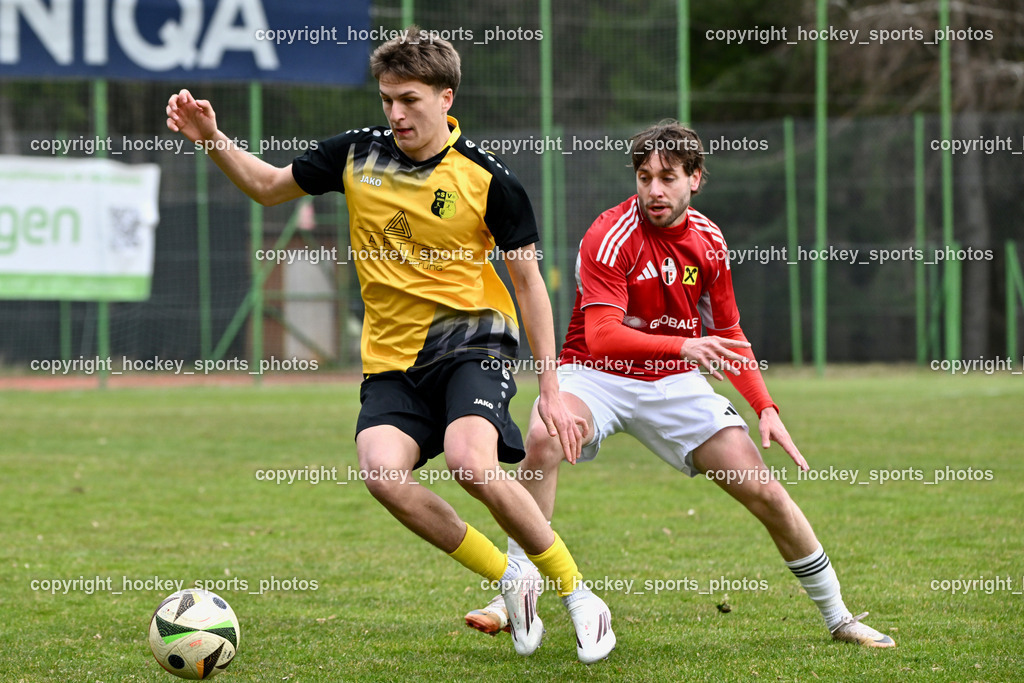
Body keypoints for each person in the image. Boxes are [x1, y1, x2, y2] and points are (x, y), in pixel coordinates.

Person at [165, 27, 615, 664]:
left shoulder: (489, 181)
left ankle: (579, 595)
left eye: (408, 99)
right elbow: (268, 186)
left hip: (473, 342)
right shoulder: (355, 156)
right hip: (393, 359)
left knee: (470, 462)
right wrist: (212, 139)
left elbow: (530, 287)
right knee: (382, 473)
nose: (396, 113)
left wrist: (551, 386)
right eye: (386, 100)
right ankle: (511, 578)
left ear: (445, 97)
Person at [464, 120, 895, 648]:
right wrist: (684, 345)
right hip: (594, 375)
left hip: (675, 383)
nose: (654, 190)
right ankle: (514, 590)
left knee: (766, 492)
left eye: (668, 177)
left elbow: (728, 331)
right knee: (544, 436)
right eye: (644, 176)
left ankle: (840, 618)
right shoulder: (609, 234)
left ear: (695, 179)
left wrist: (765, 405)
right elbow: (600, 336)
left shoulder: (709, 241)